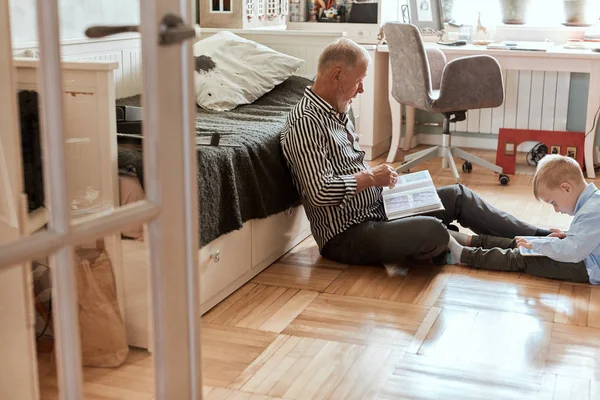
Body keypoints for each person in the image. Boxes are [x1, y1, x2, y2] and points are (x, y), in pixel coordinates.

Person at [280, 37, 553, 267]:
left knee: (458, 195)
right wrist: (371, 178)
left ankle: (541, 237)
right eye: (359, 80)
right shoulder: (306, 122)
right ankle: (503, 250)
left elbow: (350, 168)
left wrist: (385, 185)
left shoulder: (339, 108)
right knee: (432, 231)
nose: (361, 89)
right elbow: (318, 193)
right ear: (337, 75)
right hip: (348, 234)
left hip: (379, 207)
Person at [446, 154, 599, 284]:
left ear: (567, 188)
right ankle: (469, 240)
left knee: (524, 257)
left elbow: (573, 251)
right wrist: (567, 236)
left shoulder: (592, 211)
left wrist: (539, 245)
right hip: (584, 256)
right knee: (522, 243)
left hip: (587, 267)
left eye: (554, 202)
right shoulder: (592, 204)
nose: (556, 209)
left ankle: (463, 255)